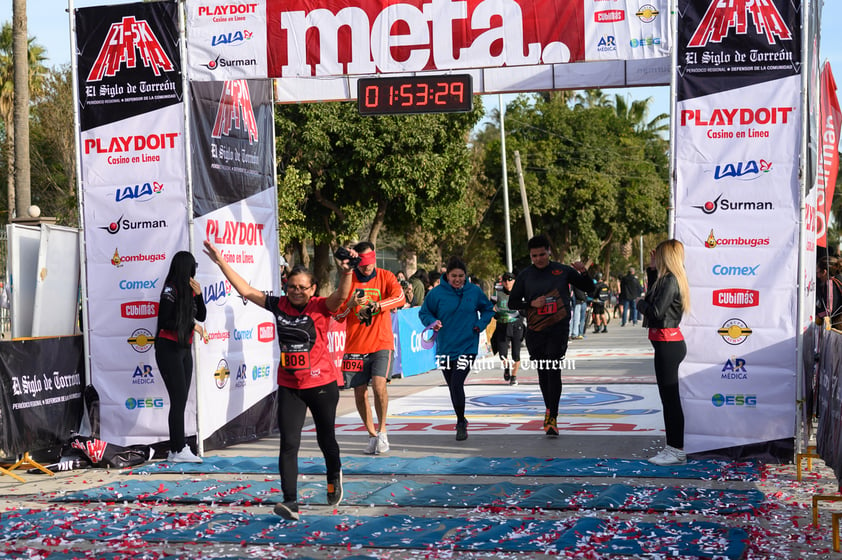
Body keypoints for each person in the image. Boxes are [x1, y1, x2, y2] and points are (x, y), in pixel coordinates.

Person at [203, 240, 355, 520]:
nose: (297, 292)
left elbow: (341, 297)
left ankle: (334, 474)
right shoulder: (278, 304)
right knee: (289, 443)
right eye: (292, 286)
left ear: (313, 288)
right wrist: (221, 262)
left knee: (326, 440)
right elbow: (246, 290)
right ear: (286, 286)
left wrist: (347, 272)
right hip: (290, 386)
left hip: (322, 386)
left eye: (303, 287)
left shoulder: (321, 306)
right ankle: (290, 502)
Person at [508, 234, 592, 437]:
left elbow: (589, 289)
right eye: (534, 255)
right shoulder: (525, 275)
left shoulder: (562, 271)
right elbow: (512, 303)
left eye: (542, 254)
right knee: (543, 372)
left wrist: (584, 272)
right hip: (536, 331)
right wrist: (531, 304)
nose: (539, 259)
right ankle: (549, 410)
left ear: (549, 252)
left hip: (558, 330)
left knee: (553, 370)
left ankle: (552, 415)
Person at [335, 241, 406, 455]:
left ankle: (383, 431)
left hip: (381, 342)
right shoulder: (349, 279)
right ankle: (372, 435)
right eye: (362, 263)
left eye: (370, 261)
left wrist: (378, 305)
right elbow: (337, 315)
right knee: (359, 392)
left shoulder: (386, 276)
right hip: (355, 345)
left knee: (378, 385)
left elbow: (400, 298)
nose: (367, 267)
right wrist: (351, 305)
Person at [419, 257, 495, 440]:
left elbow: (488, 309)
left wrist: (480, 324)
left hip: (467, 346)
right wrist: (432, 322)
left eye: (461, 276)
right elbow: (424, 312)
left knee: (456, 383)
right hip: (445, 347)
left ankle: (461, 422)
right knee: (452, 386)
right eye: (454, 276)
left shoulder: (474, 291)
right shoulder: (436, 293)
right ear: (447, 275)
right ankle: (461, 418)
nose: (458, 279)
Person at [636, 239, 691, 466]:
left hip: (668, 344)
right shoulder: (667, 278)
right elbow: (655, 296)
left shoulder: (670, 280)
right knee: (668, 400)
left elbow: (656, 310)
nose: (655, 259)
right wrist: (651, 269)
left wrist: (639, 304)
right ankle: (673, 447)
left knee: (670, 400)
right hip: (665, 343)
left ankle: (676, 449)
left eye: (657, 256)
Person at [154, 251, 207, 464]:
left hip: (184, 349)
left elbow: (202, 315)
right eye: (192, 266)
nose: (194, 270)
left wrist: (200, 294)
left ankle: (178, 448)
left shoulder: (190, 290)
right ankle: (177, 449)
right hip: (168, 348)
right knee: (178, 400)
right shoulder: (170, 289)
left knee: (182, 399)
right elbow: (165, 321)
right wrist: (191, 325)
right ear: (186, 267)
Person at [491, 271, 525, 385]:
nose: (507, 282)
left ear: (514, 281)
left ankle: (514, 376)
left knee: (516, 354)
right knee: (502, 354)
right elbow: (490, 307)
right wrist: (494, 314)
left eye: (510, 280)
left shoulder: (520, 293)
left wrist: (523, 312)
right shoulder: (497, 293)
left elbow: (526, 308)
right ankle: (506, 367)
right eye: (505, 280)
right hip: (502, 325)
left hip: (516, 325)